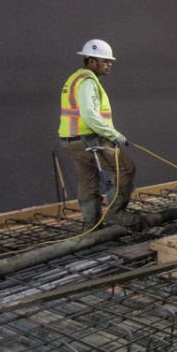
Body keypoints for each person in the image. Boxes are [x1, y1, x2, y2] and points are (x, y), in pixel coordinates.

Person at [58, 39, 136, 230]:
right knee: (126, 168)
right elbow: (90, 115)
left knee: (88, 178)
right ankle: (116, 215)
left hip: (71, 140)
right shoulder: (87, 81)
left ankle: (91, 225)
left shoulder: (75, 78)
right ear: (92, 61)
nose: (109, 64)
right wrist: (114, 134)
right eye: (105, 60)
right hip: (87, 139)